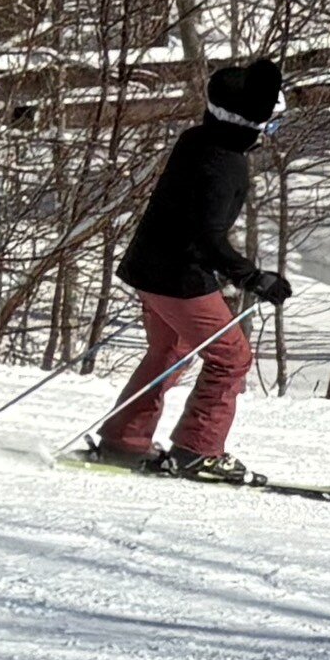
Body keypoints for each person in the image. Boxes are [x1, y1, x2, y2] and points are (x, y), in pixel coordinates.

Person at [92, 57, 292, 479]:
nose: (269, 135)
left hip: (147, 267)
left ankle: (124, 441)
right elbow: (208, 239)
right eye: (271, 126)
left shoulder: (196, 139)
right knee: (231, 358)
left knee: (170, 351)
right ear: (249, 125)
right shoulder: (225, 165)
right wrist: (253, 277)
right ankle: (199, 450)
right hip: (179, 278)